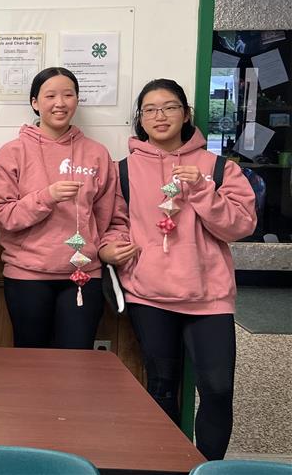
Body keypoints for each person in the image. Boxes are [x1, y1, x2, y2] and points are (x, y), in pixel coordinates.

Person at [99, 78, 256, 460]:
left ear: (186, 114)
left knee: (218, 389)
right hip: (149, 295)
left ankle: (210, 468)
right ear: (140, 119)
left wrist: (202, 191)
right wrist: (109, 249)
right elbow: (113, 224)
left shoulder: (218, 168)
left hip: (209, 298)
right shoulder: (124, 170)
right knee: (162, 387)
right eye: (150, 110)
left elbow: (240, 225)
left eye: (170, 107)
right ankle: (167, 465)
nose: (160, 116)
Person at [0, 67, 119, 349]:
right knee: (31, 364)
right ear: (35, 102)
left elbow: (107, 215)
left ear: (77, 100)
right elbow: (1, 216)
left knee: (76, 364)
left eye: (68, 95)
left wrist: (102, 247)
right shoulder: (12, 152)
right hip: (27, 275)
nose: (60, 103)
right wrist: (46, 197)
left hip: (83, 275)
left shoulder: (97, 153)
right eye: (50, 96)